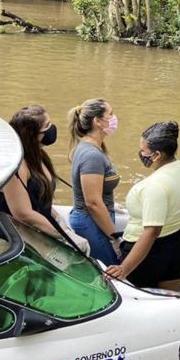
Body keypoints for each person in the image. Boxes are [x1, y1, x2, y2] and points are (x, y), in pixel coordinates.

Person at [105, 122, 180, 291]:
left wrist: (123, 269)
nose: (140, 153)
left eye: (143, 150)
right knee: (171, 299)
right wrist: (172, 227)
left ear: (156, 155)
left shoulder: (154, 185)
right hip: (177, 243)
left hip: (148, 254)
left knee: (140, 302)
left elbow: (152, 231)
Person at [0, 105, 89, 252]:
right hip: (14, 244)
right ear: (32, 135)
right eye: (47, 126)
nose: (52, 129)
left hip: (38, 236)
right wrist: (63, 235)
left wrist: (58, 220)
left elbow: (40, 200)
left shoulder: (38, 155)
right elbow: (23, 213)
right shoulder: (16, 166)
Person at [67, 98, 122, 266]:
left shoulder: (92, 148)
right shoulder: (92, 155)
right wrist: (115, 237)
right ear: (97, 121)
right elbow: (92, 203)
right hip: (91, 221)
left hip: (95, 219)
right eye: (110, 114)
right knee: (110, 269)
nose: (114, 118)